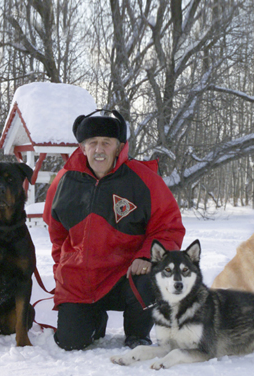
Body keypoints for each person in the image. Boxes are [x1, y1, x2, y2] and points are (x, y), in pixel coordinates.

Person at [43, 109, 185, 350]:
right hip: (82, 280)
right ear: (83, 148)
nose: (99, 149)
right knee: (70, 342)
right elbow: (57, 236)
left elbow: (169, 227)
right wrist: (61, 270)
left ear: (119, 147)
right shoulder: (63, 181)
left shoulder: (144, 179)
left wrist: (146, 255)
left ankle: (137, 334)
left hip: (124, 277)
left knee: (152, 275)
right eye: (92, 143)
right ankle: (94, 319)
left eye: (106, 143)